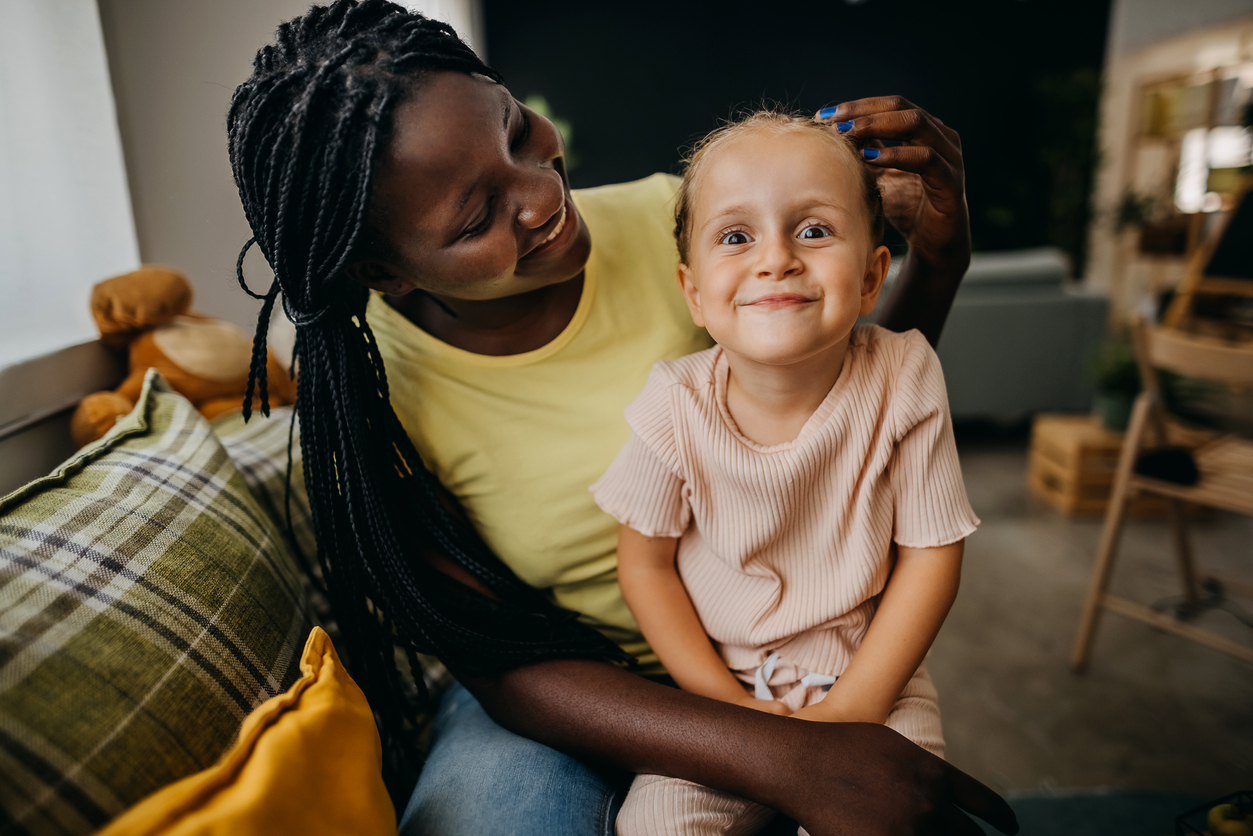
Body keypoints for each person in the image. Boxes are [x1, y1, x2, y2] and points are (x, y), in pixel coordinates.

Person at [226, 2, 1018, 835]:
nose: (540, 194)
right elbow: (495, 659)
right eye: (475, 219)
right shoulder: (371, 395)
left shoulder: (698, 225)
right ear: (384, 271)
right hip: (572, 696)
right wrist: (778, 754)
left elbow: (854, 406)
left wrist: (939, 259)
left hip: (803, 655)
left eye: (514, 129)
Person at [592, 111, 976, 836]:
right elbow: (644, 566)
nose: (776, 259)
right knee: (655, 827)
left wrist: (851, 712)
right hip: (722, 693)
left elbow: (931, 555)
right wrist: (722, 710)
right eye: (736, 237)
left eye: (812, 230)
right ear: (694, 292)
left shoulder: (904, 376)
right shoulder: (673, 404)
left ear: (869, 278)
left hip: (872, 683)